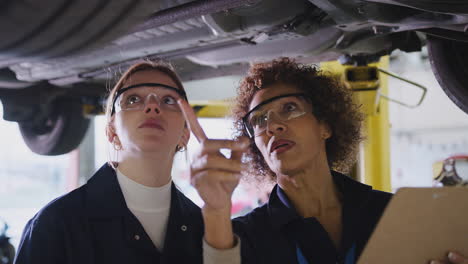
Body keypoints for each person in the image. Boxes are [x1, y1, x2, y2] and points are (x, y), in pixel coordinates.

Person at [187, 57, 468, 264]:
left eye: (290, 108)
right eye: (259, 120)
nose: (273, 126)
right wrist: (216, 211)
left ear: (326, 126)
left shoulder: (394, 214)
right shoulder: (244, 237)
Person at [14, 60, 239, 264]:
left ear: (185, 133)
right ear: (112, 131)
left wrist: (219, 212)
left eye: (168, 100)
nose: (152, 106)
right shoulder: (56, 224)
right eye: (133, 99)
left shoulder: (206, 226)